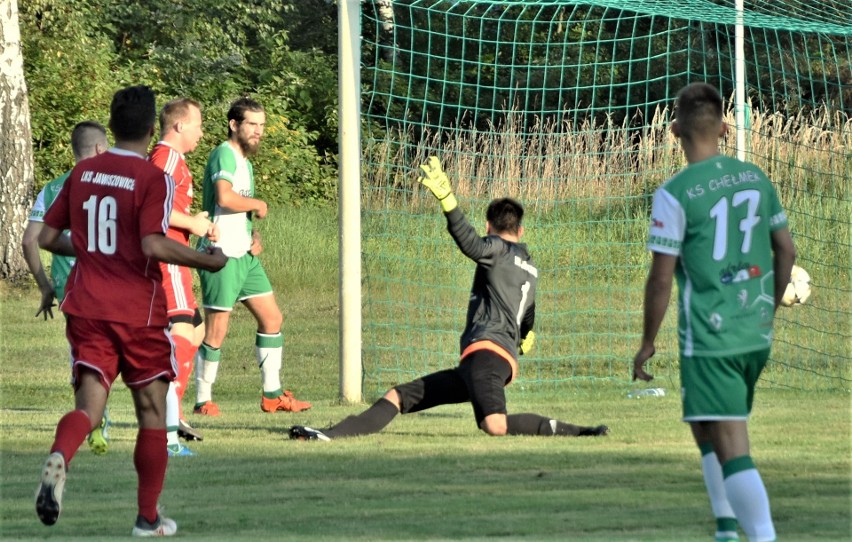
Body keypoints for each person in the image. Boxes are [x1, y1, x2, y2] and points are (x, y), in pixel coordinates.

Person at [290, 157, 608, 441]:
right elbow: (528, 315)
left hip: (487, 355)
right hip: (483, 361)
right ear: (521, 231)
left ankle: (579, 432)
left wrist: (448, 200)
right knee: (398, 396)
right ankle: (329, 434)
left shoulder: (496, 249)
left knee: (494, 425)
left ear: (489, 226)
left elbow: (471, 245)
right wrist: (523, 337)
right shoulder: (531, 267)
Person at [35, 85, 227, 537]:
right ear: (147, 128)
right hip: (136, 311)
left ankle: (61, 455)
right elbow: (152, 244)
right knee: (152, 413)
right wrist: (208, 260)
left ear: (114, 124)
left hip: (85, 306)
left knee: (89, 404)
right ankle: (147, 518)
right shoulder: (151, 178)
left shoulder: (83, 174)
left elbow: (46, 238)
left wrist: (85, 248)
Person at [631, 83, 795, 542]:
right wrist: (770, 307)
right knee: (704, 425)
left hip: (711, 338)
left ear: (674, 130)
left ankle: (762, 536)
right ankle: (726, 529)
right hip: (754, 333)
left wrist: (647, 342)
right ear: (725, 128)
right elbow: (786, 250)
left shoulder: (674, 193)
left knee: (730, 442)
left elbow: (661, 278)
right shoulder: (756, 178)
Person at [194, 97, 310, 416]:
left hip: (243, 255)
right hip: (220, 256)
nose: (258, 131)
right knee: (216, 330)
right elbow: (224, 197)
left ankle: (272, 394)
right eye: (252, 124)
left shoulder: (245, 163)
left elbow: (236, 211)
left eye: (261, 125)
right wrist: (257, 204)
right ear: (234, 125)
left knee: (272, 318)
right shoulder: (224, 153)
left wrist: (252, 237)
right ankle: (203, 399)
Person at [22, 121, 112, 456]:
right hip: (108, 283)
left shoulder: (53, 188)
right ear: (101, 149)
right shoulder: (112, 184)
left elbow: (30, 241)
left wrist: (45, 286)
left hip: (70, 289)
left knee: (85, 357)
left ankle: (91, 420)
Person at [149, 98, 218, 456]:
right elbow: (153, 207)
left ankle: (171, 412)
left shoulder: (171, 160)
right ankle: (167, 423)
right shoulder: (167, 158)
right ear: (178, 126)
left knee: (195, 328)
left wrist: (195, 224)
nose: (201, 132)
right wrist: (193, 223)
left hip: (177, 255)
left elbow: (167, 207)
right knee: (180, 332)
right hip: (168, 257)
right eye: (198, 124)